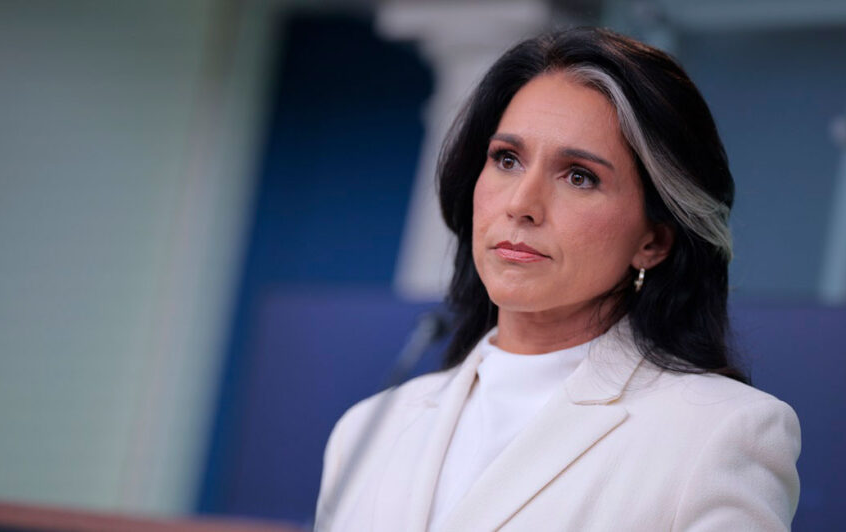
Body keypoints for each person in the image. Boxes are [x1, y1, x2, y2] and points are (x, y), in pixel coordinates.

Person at [315, 27, 800, 531]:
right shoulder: (370, 429)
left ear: (652, 241)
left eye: (579, 176)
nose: (521, 204)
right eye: (507, 159)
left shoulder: (720, 432)